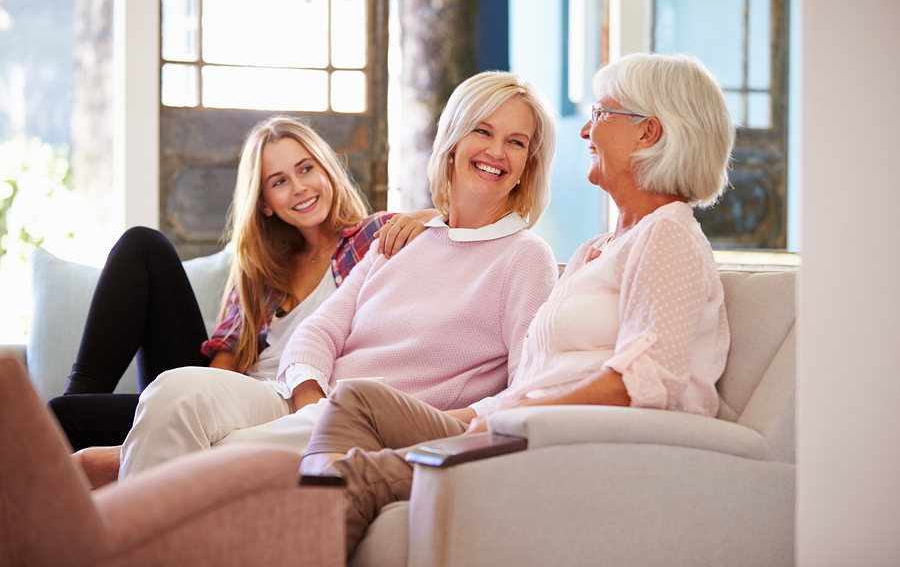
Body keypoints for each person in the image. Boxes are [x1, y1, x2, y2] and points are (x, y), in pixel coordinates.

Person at [297, 52, 736, 557]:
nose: (585, 131)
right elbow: (534, 372)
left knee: (352, 478)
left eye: (600, 114)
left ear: (648, 133)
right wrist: (485, 415)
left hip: (560, 440)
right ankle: (307, 518)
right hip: (521, 423)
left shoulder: (668, 235)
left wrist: (512, 418)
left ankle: (302, 527)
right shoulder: (599, 249)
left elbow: (648, 380)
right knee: (357, 399)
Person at [113, 71, 560, 481]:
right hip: (307, 400)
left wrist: (444, 423)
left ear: (529, 164)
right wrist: (311, 403)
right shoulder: (404, 240)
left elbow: (528, 390)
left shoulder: (525, 258)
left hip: (375, 422)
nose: (497, 152)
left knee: (220, 455)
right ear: (453, 141)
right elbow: (318, 330)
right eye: (483, 131)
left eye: (517, 142)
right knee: (173, 391)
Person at [49, 115, 433, 478]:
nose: (299, 187)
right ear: (264, 202)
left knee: (68, 419)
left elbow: (454, 222)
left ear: (327, 171)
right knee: (142, 246)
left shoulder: (369, 238)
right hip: (225, 399)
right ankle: (87, 403)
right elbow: (221, 370)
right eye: (279, 181)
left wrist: (420, 218)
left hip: (290, 407)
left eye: (306, 168)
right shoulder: (262, 272)